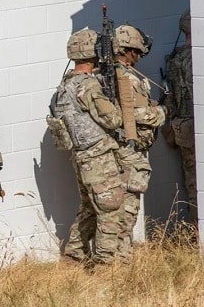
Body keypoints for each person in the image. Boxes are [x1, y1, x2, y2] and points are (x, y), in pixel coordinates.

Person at [51, 29, 124, 265]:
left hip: (82, 156)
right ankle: (106, 264)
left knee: (89, 208)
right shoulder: (88, 87)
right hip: (97, 157)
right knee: (110, 209)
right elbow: (112, 119)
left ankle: (74, 257)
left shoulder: (65, 85)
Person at [112, 24, 166, 261]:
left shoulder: (112, 74)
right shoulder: (126, 77)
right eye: (137, 51)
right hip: (129, 151)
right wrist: (162, 112)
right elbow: (135, 114)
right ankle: (122, 258)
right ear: (129, 50)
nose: (139, 56)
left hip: (120, 150)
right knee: (128, 206)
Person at [163, 10, 197, 227]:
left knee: (193, 183)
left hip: (182, 127)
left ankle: (197, 229)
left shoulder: (174, 58)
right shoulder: (200, 56)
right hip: (198, 124)